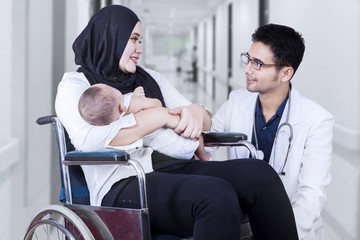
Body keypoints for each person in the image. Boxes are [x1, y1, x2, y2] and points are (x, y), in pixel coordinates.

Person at [55, 5, 299, 240]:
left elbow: (203, 118)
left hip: (175, 165)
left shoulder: (149, 77)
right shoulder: (76, 85)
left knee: (259, 174)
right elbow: (88, 140)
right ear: (111, 37)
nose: (139, 48)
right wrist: (157, 117)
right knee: (215, 195)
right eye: (133, 39)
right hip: (124, 181)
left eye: (140, 40)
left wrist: (194, 111)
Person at [211, 23, 334, 239]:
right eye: (248, 59)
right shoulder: (236, 102)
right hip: (240, 226)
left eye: (258, 63)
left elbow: (311, 194)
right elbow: (205, 141)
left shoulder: (316, 119)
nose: (247, 69)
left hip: (290, 227)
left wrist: (279, 232)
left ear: (286, 73)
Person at [78, 83, 211, 160]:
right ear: (121, 106)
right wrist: (138, 99)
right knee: (194, 130)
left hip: (164, 151)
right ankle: (203, 155)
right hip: (179, 142)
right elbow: (157, 104)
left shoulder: (112, 124)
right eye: (112, 90)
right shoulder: (130, 102)